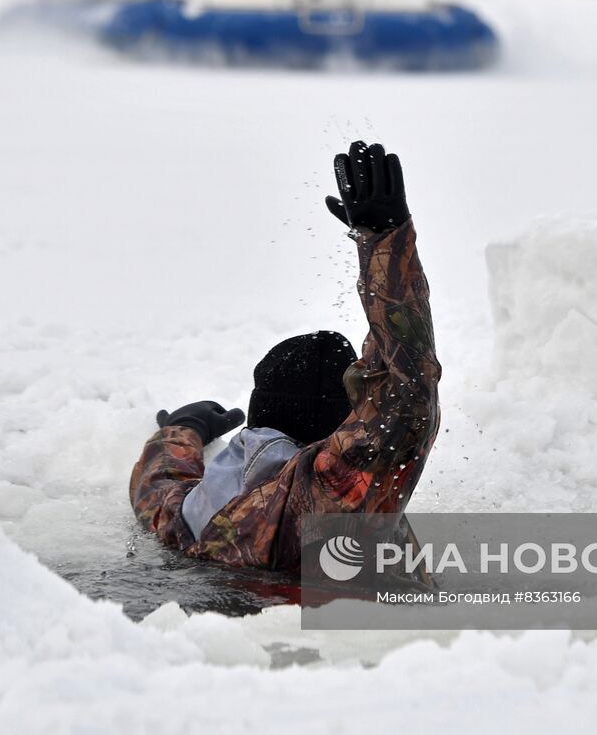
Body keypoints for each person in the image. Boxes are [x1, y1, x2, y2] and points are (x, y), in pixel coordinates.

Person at [129, 140, 441, 571]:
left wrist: (183, 429)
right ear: (337, 427)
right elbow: (407, 395)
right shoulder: (326, 495)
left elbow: (158, 494)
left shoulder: (204, 515)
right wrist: (385, 244)